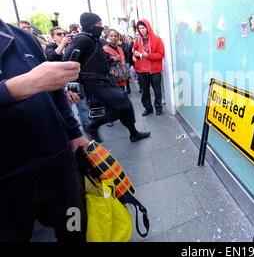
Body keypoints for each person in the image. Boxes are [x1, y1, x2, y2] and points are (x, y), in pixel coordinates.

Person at [0, 18, 89, 242]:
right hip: (6, 182)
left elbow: (55, 91)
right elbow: (34, 82)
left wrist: (75, 132)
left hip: (57, 164)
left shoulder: (22, 37)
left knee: (75, 225)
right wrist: (21, 85)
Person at [63, 12, 150, 143]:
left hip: (104, 80)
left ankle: (133, 133)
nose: (101, 27)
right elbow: (67, 60)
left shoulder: (94, 39)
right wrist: (72, 82)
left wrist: (109, 60)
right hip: (94, 82)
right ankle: (93, 126)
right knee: (123, 103)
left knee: (124, 106)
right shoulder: (83, 39)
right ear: (90, 25)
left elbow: (97, 59)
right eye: (98, 24)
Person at [45, 27, 90, 129]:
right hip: (60, 83)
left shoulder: (71, 46)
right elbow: (51, 57)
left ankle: (87, 125)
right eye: (59, 34)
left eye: (64, 34)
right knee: (65, 107)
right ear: (53, 37)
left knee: (82, 105)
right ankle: (68, 129)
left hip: (75, 81)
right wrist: (62, 44)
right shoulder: (50, 47)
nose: (62, 36)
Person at [133, 19, 165, 116]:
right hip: (142, 70)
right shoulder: (138, 39)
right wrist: (136, 53)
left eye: (143, 27)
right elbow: (134, 50)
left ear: (148, 27)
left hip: (155, 70)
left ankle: (158, 107)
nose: (141, 30)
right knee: (145, 91)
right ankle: (148, 108)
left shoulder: (157, 39)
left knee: (157, 90)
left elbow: (161, 54)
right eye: (139, 28)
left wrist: (148, 55)